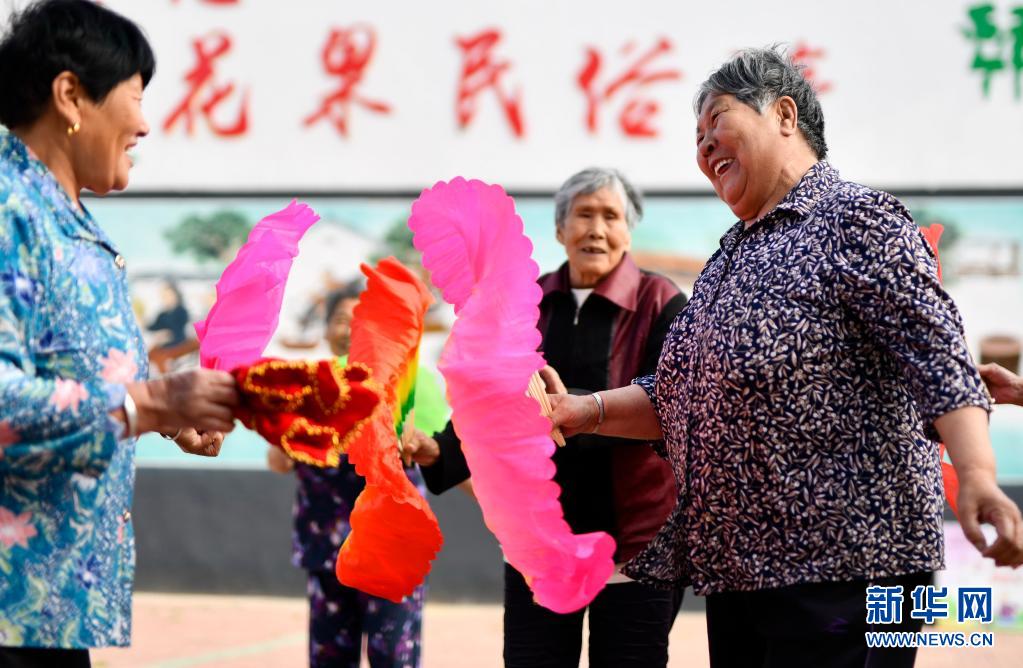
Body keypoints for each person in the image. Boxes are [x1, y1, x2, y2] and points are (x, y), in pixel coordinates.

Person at [549, 47, 1023, 668]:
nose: (704, 146)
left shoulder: (857, 218)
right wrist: (582, 412)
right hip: (741, 571)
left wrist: (979, 474)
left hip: (850, 565)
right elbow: (678, 393)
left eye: (716, 120)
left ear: (783, 115)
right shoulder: (729, 258)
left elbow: (937, 354)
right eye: (696, 137)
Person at [0, 2, 239, 666]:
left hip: (47, 609)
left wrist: (162, 415)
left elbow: (65, 374)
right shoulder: (10, 211)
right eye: (135, 97)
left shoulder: (65, 218)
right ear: (70, 95)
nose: (144, 124)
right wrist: (147, 404)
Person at [404, 167, 687, 668]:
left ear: (628, 231)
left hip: (636, 543)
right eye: (583, 215)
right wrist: (436, 450)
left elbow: (670, 403)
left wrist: (569, 408)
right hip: (536, 542)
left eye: (611, 217)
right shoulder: (525, 304)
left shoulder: (660, 302)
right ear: (560, 229)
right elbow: (488, 402)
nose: (596, 229)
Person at [266, 283, 447, 668]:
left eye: (361, 321)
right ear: (326, 329)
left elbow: (443, 458)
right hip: (326, 550)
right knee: (329, 659)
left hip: (392, 552)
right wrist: (291, 435)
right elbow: (278, 463)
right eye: (339, 320)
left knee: (393, 658)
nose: (349, 329)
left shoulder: (413, 387)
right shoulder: (309, 388)